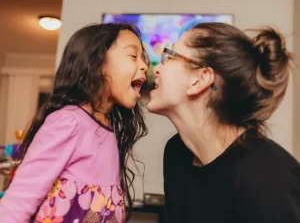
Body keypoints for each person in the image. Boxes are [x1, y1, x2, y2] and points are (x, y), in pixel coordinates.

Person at [147, 22, 300, 223]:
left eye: (169, 56)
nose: (157, 68)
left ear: (199, 79)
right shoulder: (176, 153)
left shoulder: (268, 180)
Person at [0, 23, 149, 223]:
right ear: (98, 62)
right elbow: (18, 202)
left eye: (144, 58)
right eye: (133, 56)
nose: (144, 66)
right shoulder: (69, 122)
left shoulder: (108, 129)